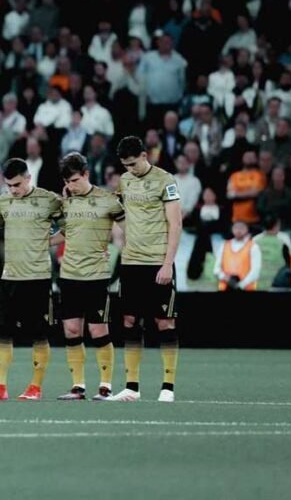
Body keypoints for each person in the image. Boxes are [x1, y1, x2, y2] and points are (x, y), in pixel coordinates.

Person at [0, 158, 62, 401]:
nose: (13, 190)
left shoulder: (49, 200)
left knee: (39, 334)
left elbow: (70, 228)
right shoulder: (4, 202)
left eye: (16, 184)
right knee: (2, 332)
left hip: (38, 277)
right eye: (8, 186)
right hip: (9, 277)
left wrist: (47, 242)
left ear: (28, 178)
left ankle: (35, 387)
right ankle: (0, 387)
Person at [109, 136, 182, 402]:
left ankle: (168, 387)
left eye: (133, 164)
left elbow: (175, 224)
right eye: (125, 165)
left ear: (144, 155)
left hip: (156, 262)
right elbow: (115, 211)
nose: (130, 169)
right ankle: (131, 387)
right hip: (131, 262)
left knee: (164, 322)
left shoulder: (165, 180)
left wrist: (167, 264)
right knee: (129, 321)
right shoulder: (125, 180)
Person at [53, 153, 125, 400]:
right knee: (72, 330)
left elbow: (129, 229)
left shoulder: (108, 201)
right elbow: (66, 232)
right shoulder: (66, 203)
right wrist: (42, 242)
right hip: (69, 275)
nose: (72, 186)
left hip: (96, 276)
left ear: (86, 174)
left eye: (75, 180)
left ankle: (106, 386)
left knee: (98, 331)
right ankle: (78, 386)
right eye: (68, 182)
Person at [214, 221, 262, 291]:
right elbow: (216, 269)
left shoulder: (253, 247)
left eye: (241, 227)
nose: (238, 230)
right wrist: (226, 278)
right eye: (236, 227)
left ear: (247, 229)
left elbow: (255, 272)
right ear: (232, 229)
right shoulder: (224, 245)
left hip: (246, 288)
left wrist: (240, 285)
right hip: (225, 288)